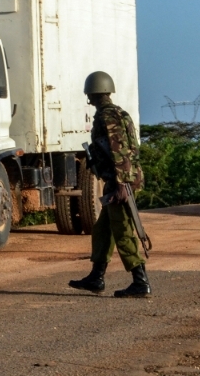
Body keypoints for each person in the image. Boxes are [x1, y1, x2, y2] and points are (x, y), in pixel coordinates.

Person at [69, 71, 150, 298]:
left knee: (122, 230)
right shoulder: (119, 113)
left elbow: (119, 150)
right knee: (102, 230)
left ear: (91, 94)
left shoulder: (108, 116)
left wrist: (122, 184)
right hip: (120, 180)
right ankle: (96, 277)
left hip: (119, 183)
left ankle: (140, 282)